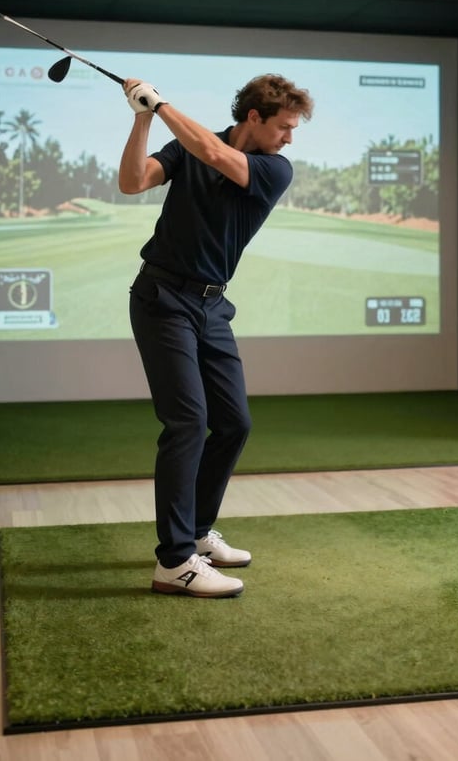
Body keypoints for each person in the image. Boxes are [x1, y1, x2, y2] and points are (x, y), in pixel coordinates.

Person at [119, 74, 314, 598]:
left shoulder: (274, 168)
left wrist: (161, 104)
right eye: (284, 128)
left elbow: (210, 149)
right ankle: (175, 561)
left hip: (211, 307)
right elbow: (133, 182)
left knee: (233, 423)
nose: (290, 139)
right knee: (187, 422)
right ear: (254, 117)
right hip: (162, 300)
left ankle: (199, 533)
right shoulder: (185, 146)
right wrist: (142, 119)